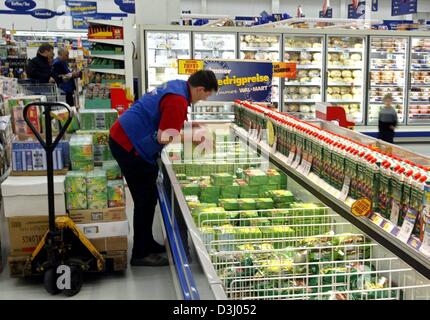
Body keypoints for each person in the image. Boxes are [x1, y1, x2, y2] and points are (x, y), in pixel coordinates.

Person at [109, 70, 218, 266]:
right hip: (128, 144)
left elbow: (168, 123)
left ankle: (147, 242)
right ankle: (140, 254)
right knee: (144, 199)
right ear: (200, 89)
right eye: (206, 95)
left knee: (148, 197)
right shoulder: (178, 100)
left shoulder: (178, 86)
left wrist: (190, 128)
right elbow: (164, 137)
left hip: (125, 135)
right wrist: (195, 137)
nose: (204, 99)